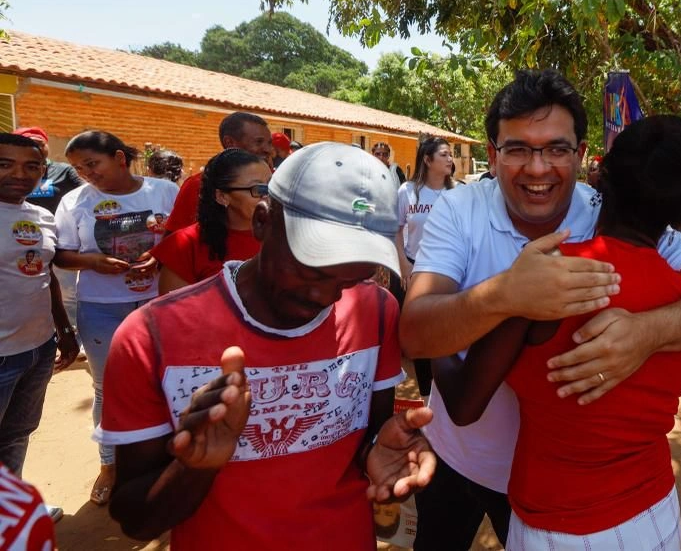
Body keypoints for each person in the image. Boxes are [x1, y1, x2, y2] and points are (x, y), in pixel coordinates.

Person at [400, 69, 681, 550]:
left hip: (543, 498)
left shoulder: (608, 208)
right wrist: (506, 294)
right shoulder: (460, 210)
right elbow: (414, 334)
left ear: (582, 155)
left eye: (556, 149)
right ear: (492, 155)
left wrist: (646, 332)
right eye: (517, 149)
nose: (537, 169)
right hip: (460, 458)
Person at [97, 143, 435, 549]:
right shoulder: (151, 336)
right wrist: (196, 468)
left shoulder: (374, 310)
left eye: (350, 279)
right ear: (262, 222)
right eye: (311, 269)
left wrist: (377, 453)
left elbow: (363, 439)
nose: (327, 297)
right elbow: (136, 520)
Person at [435, 115, 681, 549]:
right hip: (655, 511)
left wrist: (444, 337)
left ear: (598, 177)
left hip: (556, 523)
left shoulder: (545, 276)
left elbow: (464, 404)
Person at [53, 130, 178, 507]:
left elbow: (185, 234)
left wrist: (161, 257)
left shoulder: (163, 192)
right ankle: (109, 465)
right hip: (102, 306)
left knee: (167, 383)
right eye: (78, 168)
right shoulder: (75, 201)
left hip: (161, 303)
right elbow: (60, 255)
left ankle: (167, 460)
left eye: (93, 164)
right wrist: (91, 262)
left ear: (120, 159)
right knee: (108, 389)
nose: (86, 173)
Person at [0, 133, 79, 519]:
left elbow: (43, 276)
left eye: (31, 166)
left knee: (17, 434)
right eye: (5, 164)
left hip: (37, 348)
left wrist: (63, 331)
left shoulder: (40, 216)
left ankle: (10, 512)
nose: (19, 174)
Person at [150, 149, 270, 294]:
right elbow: (174, 312)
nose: (268, 195)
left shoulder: (285, 236)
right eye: (258, 189)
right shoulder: (185, 245)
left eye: (272, 185)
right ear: (222, 197)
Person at [396, 137, 455, 397]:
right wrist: (404, 267)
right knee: (420, 336)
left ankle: (446, 396)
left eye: (451, 154)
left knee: (446, 334)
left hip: (449, 273)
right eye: (444, 154)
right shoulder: (407, 191)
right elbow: (396, 229)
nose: (450, 159)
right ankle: (425, 395)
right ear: (427, 160)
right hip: (415, 270)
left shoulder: (458, 193)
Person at [164, 112, 274, 234]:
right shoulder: (198, 185)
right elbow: (174, 238)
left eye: (269, 143)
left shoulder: (278, 181)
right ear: (230, 143)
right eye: (258, 142)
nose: (268, 150)